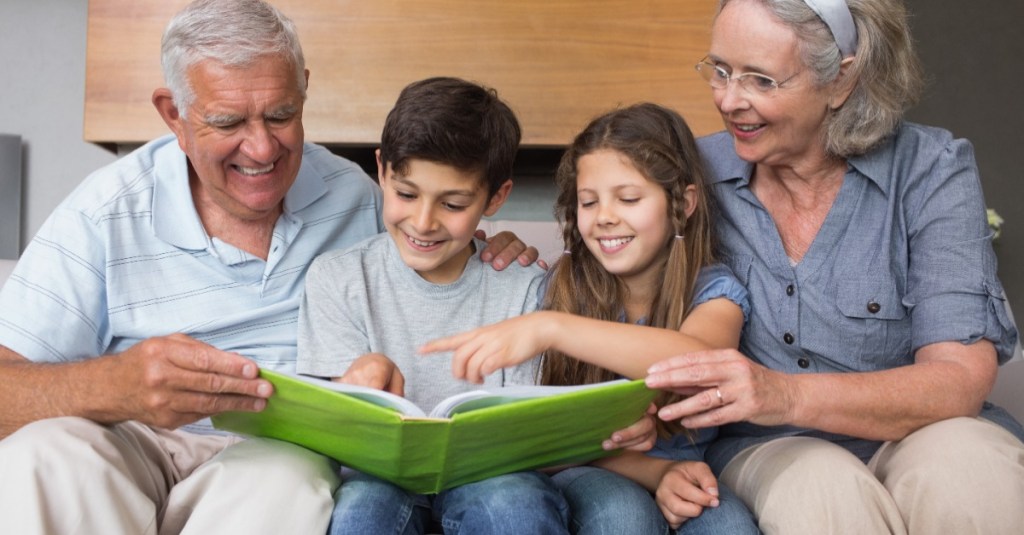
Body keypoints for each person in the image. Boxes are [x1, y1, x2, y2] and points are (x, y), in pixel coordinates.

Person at [0, 1, 542, 533]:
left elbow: (432, 247)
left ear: (303, 90)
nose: (261, 148)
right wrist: (112, 384)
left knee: (287, 478)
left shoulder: (357, 197)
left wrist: (491, 245)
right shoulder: (104, 209)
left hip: (271, 454)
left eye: (281, 115)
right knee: (40, 456)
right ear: (174, 115)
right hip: (130, 440)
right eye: (228, 121)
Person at [641, 1, 1024, 533]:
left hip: (920, 430)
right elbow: (596, 236)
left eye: (761, 80)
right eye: (721, 70)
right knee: (821, 492)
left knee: (971, 476)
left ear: (842, 80)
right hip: (770, 445)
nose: (728, 100)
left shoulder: (929, 170)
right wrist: (503, 249)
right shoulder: (691, 177)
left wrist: (785, 393)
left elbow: (958, 380)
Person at [423, 103, 759, 535]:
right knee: (623, 515)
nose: (604, 217)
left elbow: (700, 363)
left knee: (726, 524)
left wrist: (553, 329)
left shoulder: (712, 291)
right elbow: (541, 444)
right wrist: (650, 473)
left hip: (689, 472)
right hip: (585, 468)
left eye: (629, 198)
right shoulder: (559, 290)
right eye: (588, 201)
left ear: (683, 204)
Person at [296, 76, 570, 534]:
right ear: (381, 170)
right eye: (406, 194)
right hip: (378, 477)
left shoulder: (524, 287)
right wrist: (350, 384)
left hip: (492, 475)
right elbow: (332, 437)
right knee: (363, 510)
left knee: (513, 505)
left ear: (496, 197)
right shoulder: (338, 278)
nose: (423, 222)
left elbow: (531, 434)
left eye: (454, 203)